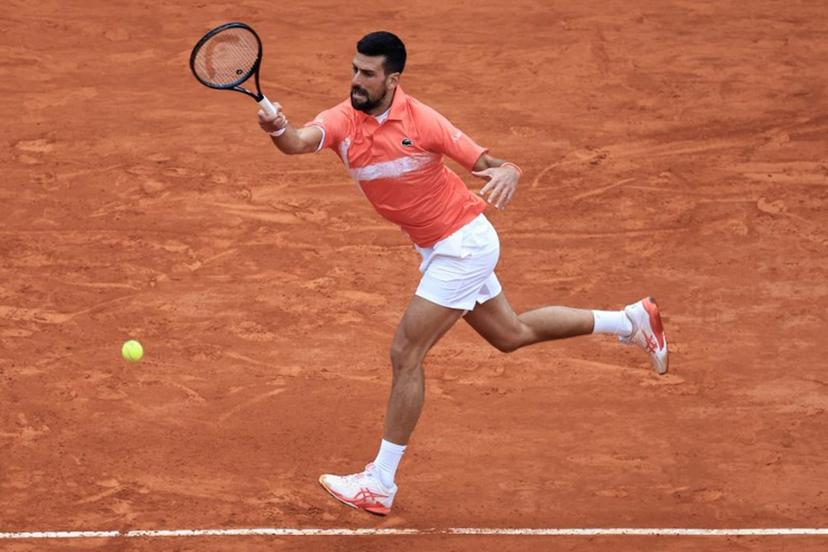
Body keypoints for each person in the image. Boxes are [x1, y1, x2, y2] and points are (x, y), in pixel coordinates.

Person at [257, 31, 668, 516]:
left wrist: (509, 170)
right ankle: (630, 321)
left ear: (393, 79)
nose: (356, 81)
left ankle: (381, 483)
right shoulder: (343, 120)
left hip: (462, 246)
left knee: (406, 352)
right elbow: (299, 143)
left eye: (368, 74)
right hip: (443, 247)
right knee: (511, 333)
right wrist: (277, 126)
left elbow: (490, 162)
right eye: (354, 70)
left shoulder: (424, 121)